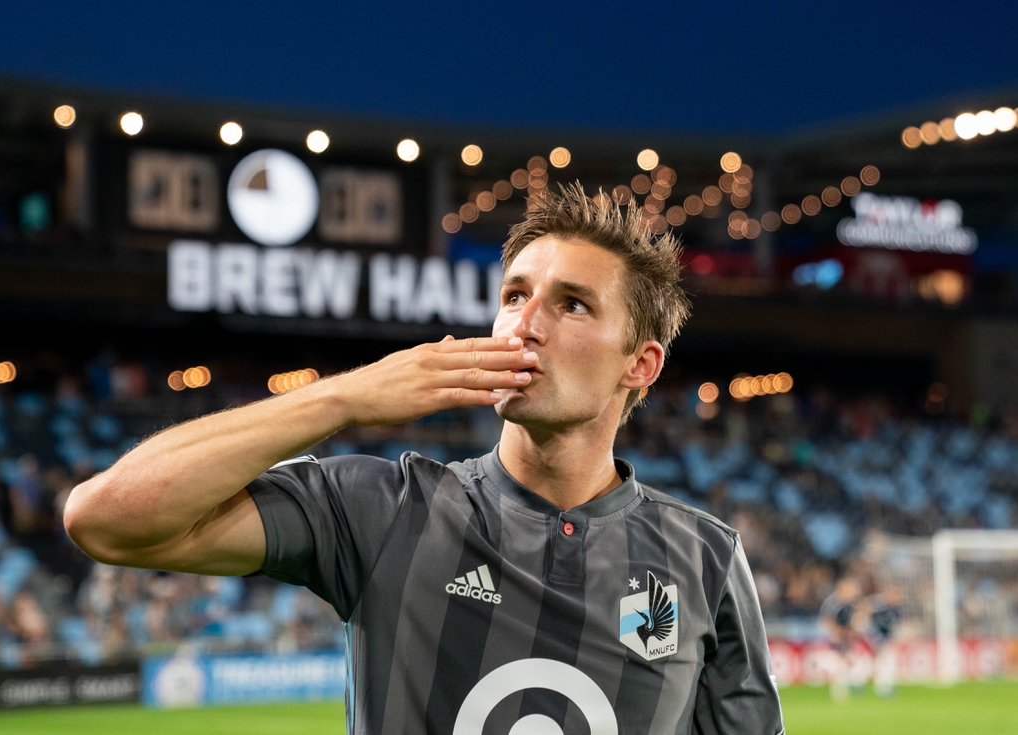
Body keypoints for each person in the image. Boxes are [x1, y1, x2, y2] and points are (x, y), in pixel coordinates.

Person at [65, 185, 784, 734]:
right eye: (514, 296)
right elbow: (106, 518)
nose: (525, 325)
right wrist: (339, 400)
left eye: (571, 305)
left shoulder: (705, 558)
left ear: (641, 363)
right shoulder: (383, 508)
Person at [818, 575, 868, 702]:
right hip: (833, 633)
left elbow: (859, 617)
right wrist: (839, 634)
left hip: (847, 634)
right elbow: (826, 621)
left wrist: (853, 631)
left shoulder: (854, 602)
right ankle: (839, 689)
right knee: (838, 661)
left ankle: (850, 686)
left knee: (851, 659)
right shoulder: (832, 602)